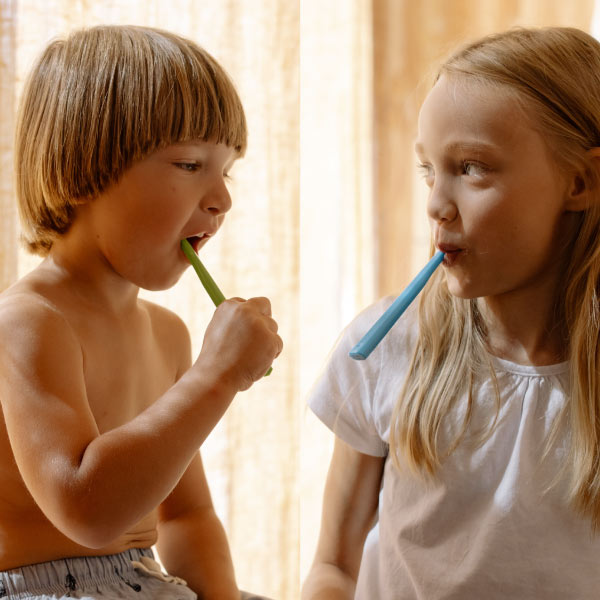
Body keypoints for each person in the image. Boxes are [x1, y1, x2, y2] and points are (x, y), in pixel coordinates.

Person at [302, 26, 600, 600]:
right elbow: (332, 569)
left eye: (471, 168)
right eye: (429, 170)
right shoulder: (386, 346)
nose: (437, 204)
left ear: (582, 181)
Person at [0, 25, 282, 600]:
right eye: (188, 164)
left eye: (224, 170)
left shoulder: (167, 334)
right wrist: (217, 375)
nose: (221, 199)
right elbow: (88, 509)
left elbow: (185, 516)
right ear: (86, 168)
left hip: (146, 580)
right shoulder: (30, 321)